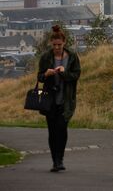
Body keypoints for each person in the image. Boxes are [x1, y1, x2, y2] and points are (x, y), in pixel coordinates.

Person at [37, 25, 81, 172]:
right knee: (52, 131)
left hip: (66, 100)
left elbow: (76, 75)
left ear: (64, 43)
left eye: (59, 45)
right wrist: (46, 74)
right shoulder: (46, 57)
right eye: (54, 45)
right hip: (50, 100)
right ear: (51, 43)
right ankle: (55, 161)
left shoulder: (72, 56)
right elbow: (39, 76)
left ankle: (60, 158)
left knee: (62, 129)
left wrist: (64, 73)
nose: (57, 48)